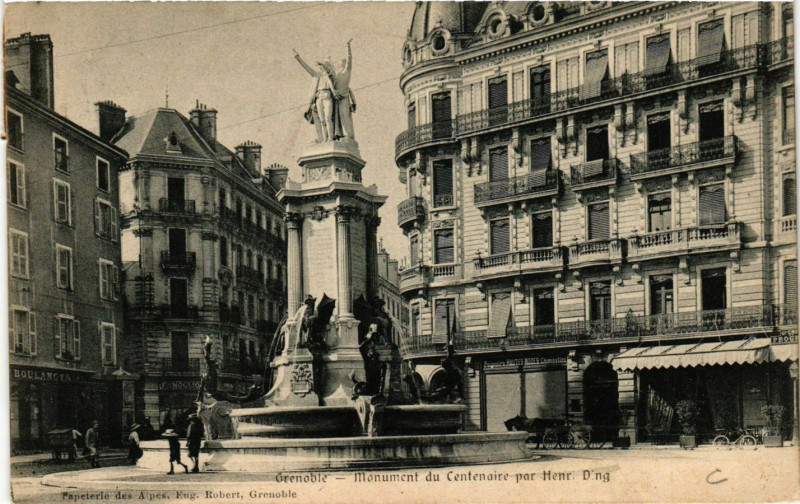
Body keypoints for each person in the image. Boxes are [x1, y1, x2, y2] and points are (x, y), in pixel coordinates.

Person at [293, 50, 337, 142]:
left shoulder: (330, 76)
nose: (320, 68)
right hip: (319, 98)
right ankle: (325, 139)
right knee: (322, 120)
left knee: (328, 118)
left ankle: (330, 138)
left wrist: (325, 63)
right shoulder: (316, 75)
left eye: (321, 66)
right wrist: (298, 57)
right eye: (319, 67)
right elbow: (306, 68)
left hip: (327, 97)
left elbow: (331, 72)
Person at [332, 39, 356, 139]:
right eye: (340, 63)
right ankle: (338, 134)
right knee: (336, 117)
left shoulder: (347, 71)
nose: (341, 64)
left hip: (344, 97)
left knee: (345, 115)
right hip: (336, 97)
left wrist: (348, 47)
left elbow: (350, 59)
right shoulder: (336, 75)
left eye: (343, 62)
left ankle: (349, 135)